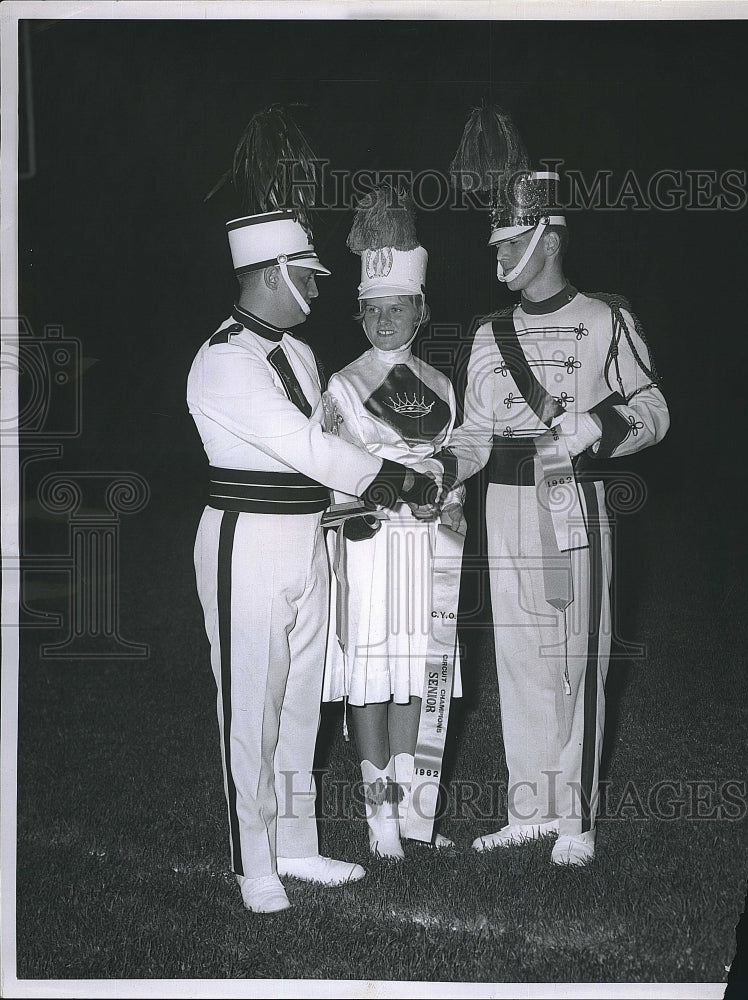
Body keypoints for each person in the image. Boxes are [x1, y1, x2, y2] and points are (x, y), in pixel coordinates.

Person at [187, 109, 440, 913]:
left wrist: (366, 490)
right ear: (271, 274)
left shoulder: (296, 350)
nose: (320, 287)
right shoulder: (223, 361)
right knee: (251, 705)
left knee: (301, 701)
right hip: (247, 544)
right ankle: (251, 860)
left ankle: (296, 847)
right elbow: (306, 447)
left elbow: (322, 458)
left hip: (308, 540)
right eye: (310, 274)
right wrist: (391, 481)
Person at [441, 108, 670, 865]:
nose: (497, 253)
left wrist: (596, 430)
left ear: (546, 238)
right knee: (518, 656)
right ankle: (528, 808)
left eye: (508, 240)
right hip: (500, 503)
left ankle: (575, 820)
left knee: (576, 656)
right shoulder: (484, 332)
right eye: (496, 241)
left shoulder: (607, 318)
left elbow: (653, 409)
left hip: (572, 499)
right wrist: (443, 468)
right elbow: (474, 431)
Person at [322, 187, 464, 859]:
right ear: (359, 314)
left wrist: (442, 491)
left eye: (396, 307)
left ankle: (412, 812)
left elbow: (453, 467)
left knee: (416, 672)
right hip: (369, 551)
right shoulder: (342, 385)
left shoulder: (442, 385)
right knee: (371, 678)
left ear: (420, 308)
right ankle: (378, 819)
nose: (384, 320)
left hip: (427, 553)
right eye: (372, 310)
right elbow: (329, 477)